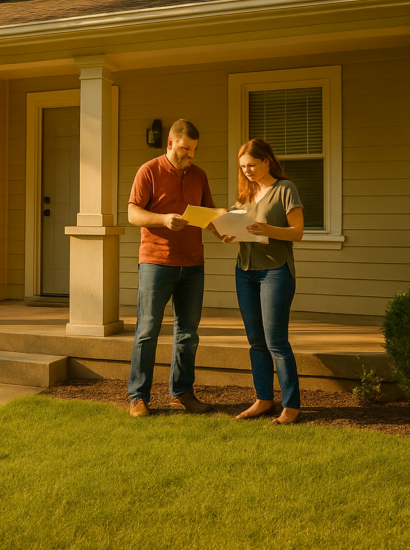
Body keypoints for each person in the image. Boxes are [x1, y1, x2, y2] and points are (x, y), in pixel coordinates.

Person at [126, 119, 225, 417]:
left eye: (193, 150)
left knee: (188, 333)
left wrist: (224, 229)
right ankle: (138, 397)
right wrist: (163, 219)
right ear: (170, 143)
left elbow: (209, 215)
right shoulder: (149, 171)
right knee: (147, 330)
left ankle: (181, 393)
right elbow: (133, 213)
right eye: (185, 149)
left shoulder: (199, 175)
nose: (190, 155)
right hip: (156, 263)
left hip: (193, 264)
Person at [228, 138, 305, 425]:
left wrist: (267, 229)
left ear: (266, 161)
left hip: (275, 271)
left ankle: (292, 405)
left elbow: (297, 233)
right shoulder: (245, 193)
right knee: (256, 341)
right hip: (245, 271)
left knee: (276, 341)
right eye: (242, 167)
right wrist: (226, 233)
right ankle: (263, 399)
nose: (247, 171)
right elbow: (240, 229)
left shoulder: (285, 189)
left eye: (251, 165)